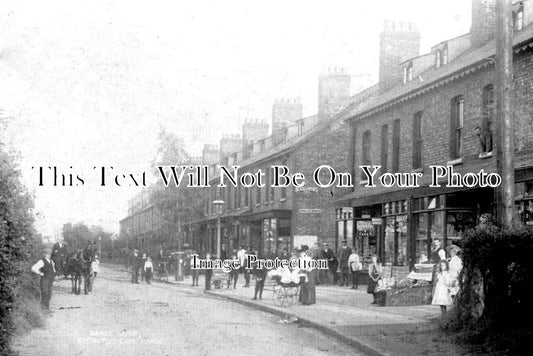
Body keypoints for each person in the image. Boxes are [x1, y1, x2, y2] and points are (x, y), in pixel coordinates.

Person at [31, 245, 56, 311]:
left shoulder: (52, 261)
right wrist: (39, 273)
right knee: (44, 293)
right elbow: (33, 268)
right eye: (47, 253)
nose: (48, 255)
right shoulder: (41, 261)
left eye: (50, 253)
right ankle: (43, 309)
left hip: (50, 279)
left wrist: (54, 275)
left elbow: (53, 270)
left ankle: (47, 308)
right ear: (44, 254)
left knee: (49, 293)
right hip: (44, 279)